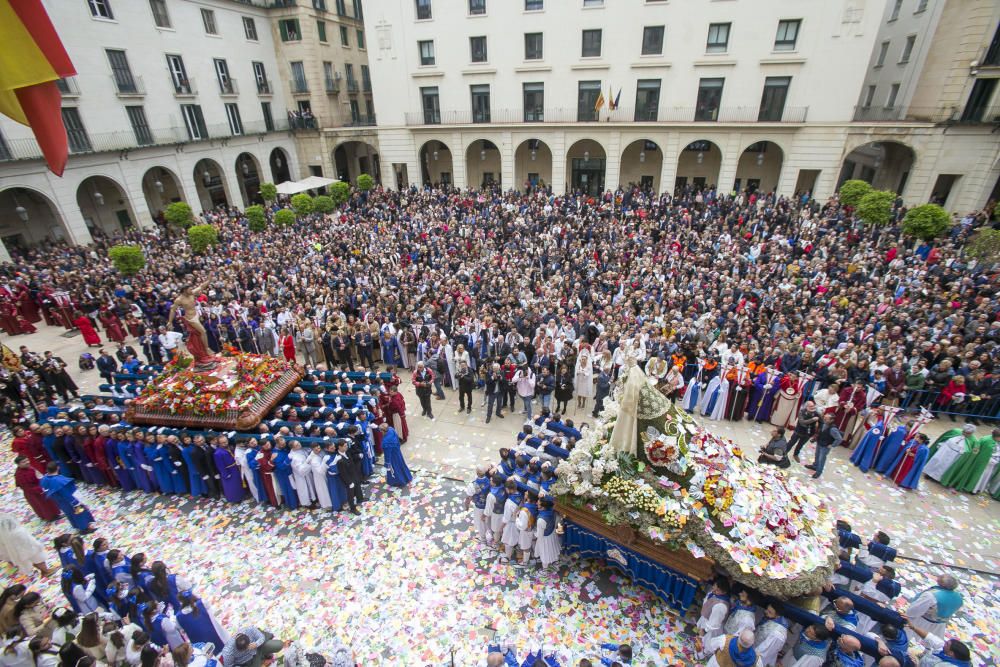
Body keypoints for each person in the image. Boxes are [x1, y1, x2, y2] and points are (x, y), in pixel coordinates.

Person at [39, 462, 96, 533]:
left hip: (60, 502)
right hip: (70, 501)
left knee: (69, 514)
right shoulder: (59, 481)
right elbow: (66, 493)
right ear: (58, 468)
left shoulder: (44, 479)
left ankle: (77, 526)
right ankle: (84, 528)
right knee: (79, 513)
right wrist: (76, 502)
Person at [906, 574, 963, 639]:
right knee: (931, 642)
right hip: (940, 625)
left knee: (913, 637)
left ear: (943, 584)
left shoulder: (932, 595)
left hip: (922, 622)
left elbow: (914, 611)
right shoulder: (959, 597)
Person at [13, 455, 60, 521]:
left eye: (27, 460)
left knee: (48, 503)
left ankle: (53, 514)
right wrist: (41, 490)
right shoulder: (20, 475)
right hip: (34, 493)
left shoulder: (28, 467)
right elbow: (27, 487)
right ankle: (51, 517)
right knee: (44, 505)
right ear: (18, 464)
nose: (27, 462)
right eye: (24, 462)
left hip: (38, 488)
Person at [805, 413, 844, 479]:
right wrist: (815, 438)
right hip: (819, 443)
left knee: (821, 459)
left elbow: (839, 439)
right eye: (824, 417)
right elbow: (820, 432)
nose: (824, 419)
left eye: (826, 418)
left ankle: (818, 472)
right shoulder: (823, 424)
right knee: (817, 455)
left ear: (831, 420)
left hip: (825, 446)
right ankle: (815, 466)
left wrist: (832, 445)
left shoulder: (833, 429)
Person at [220, 628, 284, 667]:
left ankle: (263, 657)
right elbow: (229, 666)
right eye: (243, 649)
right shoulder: (228, 652)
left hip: (259, 648)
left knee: (279, 644)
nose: (247, 649)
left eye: (247, 646)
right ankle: (261, 660)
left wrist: (256, 644)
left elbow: (261, 637)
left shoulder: (249, 630)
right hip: (249, 661)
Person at [334, 440, 363, 515]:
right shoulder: (338, 458)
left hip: (354, 474)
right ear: (339, 447)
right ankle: (352, 508)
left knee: (358, 487)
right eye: (345, 446)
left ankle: (360, 499)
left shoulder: (347, 452)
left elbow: (352, 461)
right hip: (348, 478)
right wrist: (349, 482)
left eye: (346, 445)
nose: (347, 447)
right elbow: (343, 473)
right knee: (350, 494)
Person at [379, 424, 412, 488]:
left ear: (383, 431)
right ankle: (406, 477)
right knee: (401, 465)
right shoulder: (391, 430)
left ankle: (398, 481)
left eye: (381, 431)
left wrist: (387, 464)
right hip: (397, 451)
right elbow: (397, 438)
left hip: (392, 456)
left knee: (395, 468)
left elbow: (387, 454)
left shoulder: (385, 442)